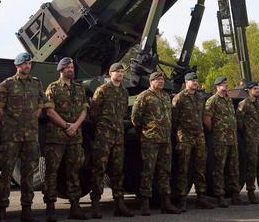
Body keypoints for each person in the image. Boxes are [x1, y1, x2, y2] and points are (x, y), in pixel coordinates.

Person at [0, 52, 45, 222]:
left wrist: (33, 118)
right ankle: (1, 209)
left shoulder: (37, 83)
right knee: (6, 173)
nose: (27, 66)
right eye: (24, 64)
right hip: (11, 136)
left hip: (30, 136)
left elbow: (40, 105)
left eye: (29, 63)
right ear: (17, 66)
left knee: (28, 173)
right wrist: (11, 124)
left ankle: (27, 210)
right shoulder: (6, 85)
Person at [44, 57, 89, 221]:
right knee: (52, 172)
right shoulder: (53, 88)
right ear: (61, 70)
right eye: (68, 67)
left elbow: (84, 109)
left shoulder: (79, 88)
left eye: (72, 66)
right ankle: (50, 208)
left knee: (74, 172)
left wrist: (75, 126)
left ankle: (75, 207)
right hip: (57, 137)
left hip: (75, 137)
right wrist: (65, 126)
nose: (71, 69)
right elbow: (49, 111)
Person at [131, 70, 181, 216]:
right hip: (150, 140)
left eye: (162, 79)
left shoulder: (165, 96)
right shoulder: (144, 97)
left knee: (165, 171)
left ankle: (166, 202)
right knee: (148, 171)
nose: (161, 81)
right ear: (151, 82)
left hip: (165, 140)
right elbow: (136, 119)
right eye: (157, 79)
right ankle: (145, 203)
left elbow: (170, 116)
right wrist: (146, 131)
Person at [88, 63, 133, 218]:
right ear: (110, 73)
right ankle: (95, 204)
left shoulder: (124, 92)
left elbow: (124, 113)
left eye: (122, 72)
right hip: (104, 137)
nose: (120, 74)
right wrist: (103, 128)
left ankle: (119, 203)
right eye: (117, 71)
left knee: (118, 171)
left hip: (118, 137)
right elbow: (94, 114)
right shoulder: (102, 90)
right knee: (99, 170)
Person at [171, 72, 215, 210]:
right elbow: (174, 119)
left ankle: (201, 197)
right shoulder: (179, 98)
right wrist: (180, 133)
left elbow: (203, 115)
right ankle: (182, 198)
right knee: (183, 169)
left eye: (196, 80)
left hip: (199, 136)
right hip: (185, 137)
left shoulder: (200, 97)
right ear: (186, 82)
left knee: (200, 168)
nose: (195, 82)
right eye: (192, 80)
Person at [204, 76, 247, 207]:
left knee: (233, 168)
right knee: (219, 169)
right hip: (220, 140)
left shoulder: (228, 99)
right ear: (217, 86)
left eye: (226, 83)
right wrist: (215, 132)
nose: (226, 85)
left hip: (232, 140)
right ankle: (220, 196)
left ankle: (235, 196)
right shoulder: (212, 100)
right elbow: (207, 119)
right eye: (223, 84)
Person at [236, 82, 259, 203]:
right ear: (249, 90)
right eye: (255, 88)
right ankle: (251, 192)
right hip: (250, 140)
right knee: (251, 167)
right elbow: (239, 124)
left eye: (258, 88)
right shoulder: (244, 104)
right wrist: (248, 133)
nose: (258, 90)